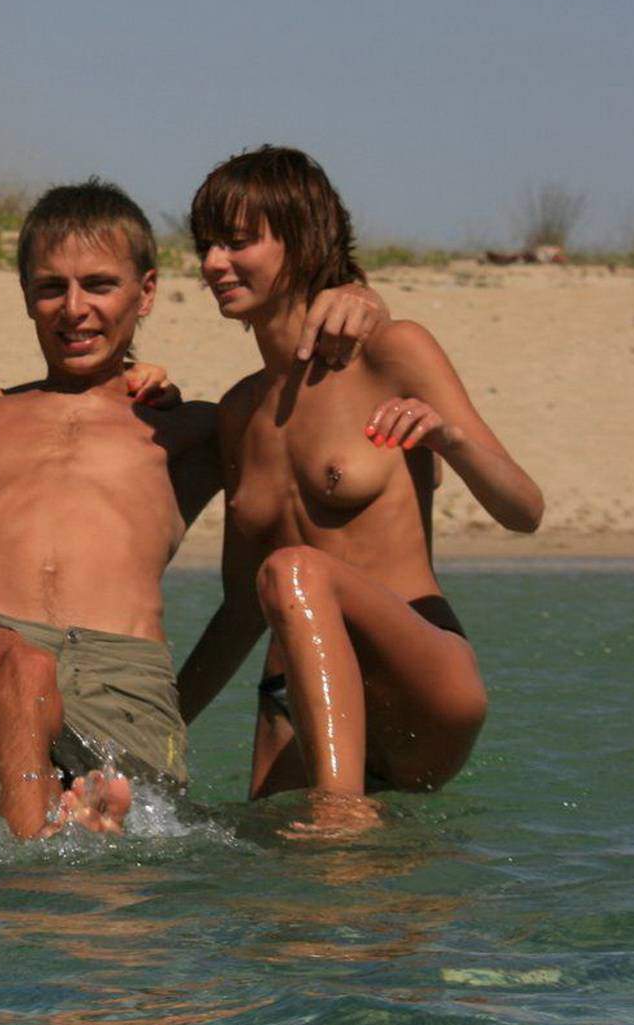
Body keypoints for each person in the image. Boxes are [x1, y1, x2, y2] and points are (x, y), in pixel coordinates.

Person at [0, 181, 388, 838]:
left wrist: (362, 300)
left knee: (108, 847)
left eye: (98, 285)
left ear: (145, 293)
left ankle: (74, 831)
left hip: (124, 678)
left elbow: (309, 403)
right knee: (21, 670)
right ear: (25, 295)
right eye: (50, 288)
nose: (74, 309)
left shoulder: (191, 430)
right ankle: (32, 873)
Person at [172, 146, 542, 832]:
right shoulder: (238, 411)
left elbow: (525, 510)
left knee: (294, 569)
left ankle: (342, 807)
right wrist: (150, 734)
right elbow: (240, 613)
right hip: (301, 692)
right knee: (276, 875)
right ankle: (341, 824)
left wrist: (450, 441)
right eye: (206, 246)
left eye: (238, 241)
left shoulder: (391, 351)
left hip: (419, 684)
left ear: (303, 239)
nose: (214, 263)